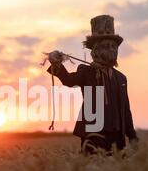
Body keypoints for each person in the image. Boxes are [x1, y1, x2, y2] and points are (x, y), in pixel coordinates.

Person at [47, 14, 139, 154]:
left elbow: (126, 110)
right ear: (95, 50)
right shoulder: (86, 72)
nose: (111, 50)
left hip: (117, 138)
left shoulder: (121, 79)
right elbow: (69, 81)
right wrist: (56, 63)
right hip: (93, 135)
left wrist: (132, 136)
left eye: (113, 46)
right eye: (105, 46)